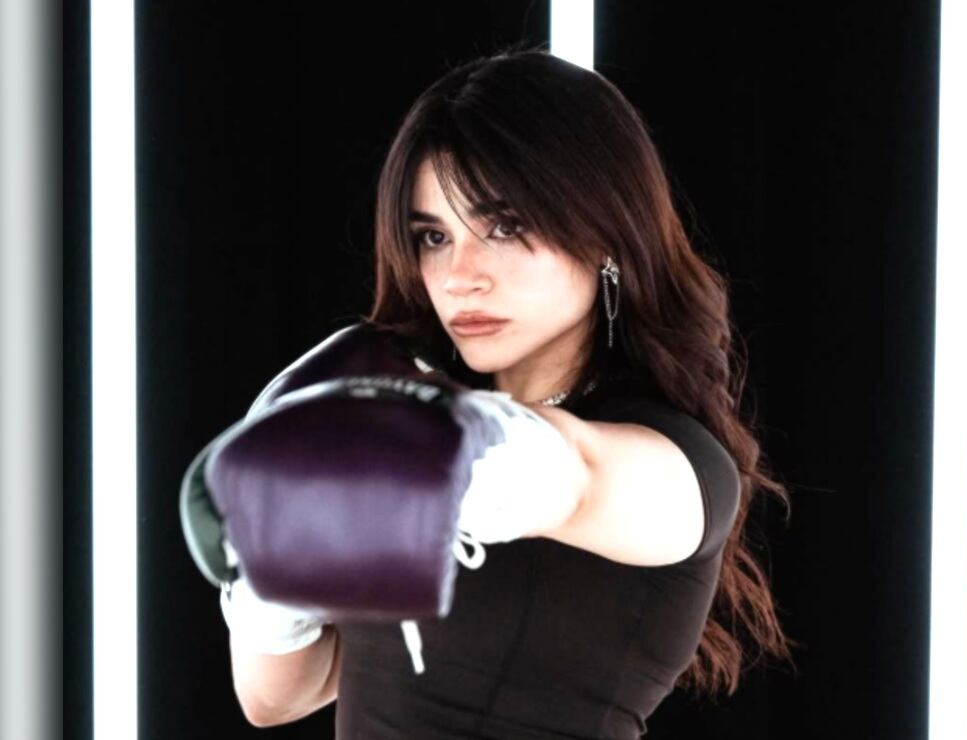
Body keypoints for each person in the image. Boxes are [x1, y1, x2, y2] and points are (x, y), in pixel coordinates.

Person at [228, 42, 797, 738]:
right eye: (434, 236)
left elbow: (572, 477)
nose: (460, 276)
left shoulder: (679, 464)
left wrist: (400, 447)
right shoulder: (392, 416)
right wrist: (265, 555)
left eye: (504, 226)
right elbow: (277, 698)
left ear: (605, 235)